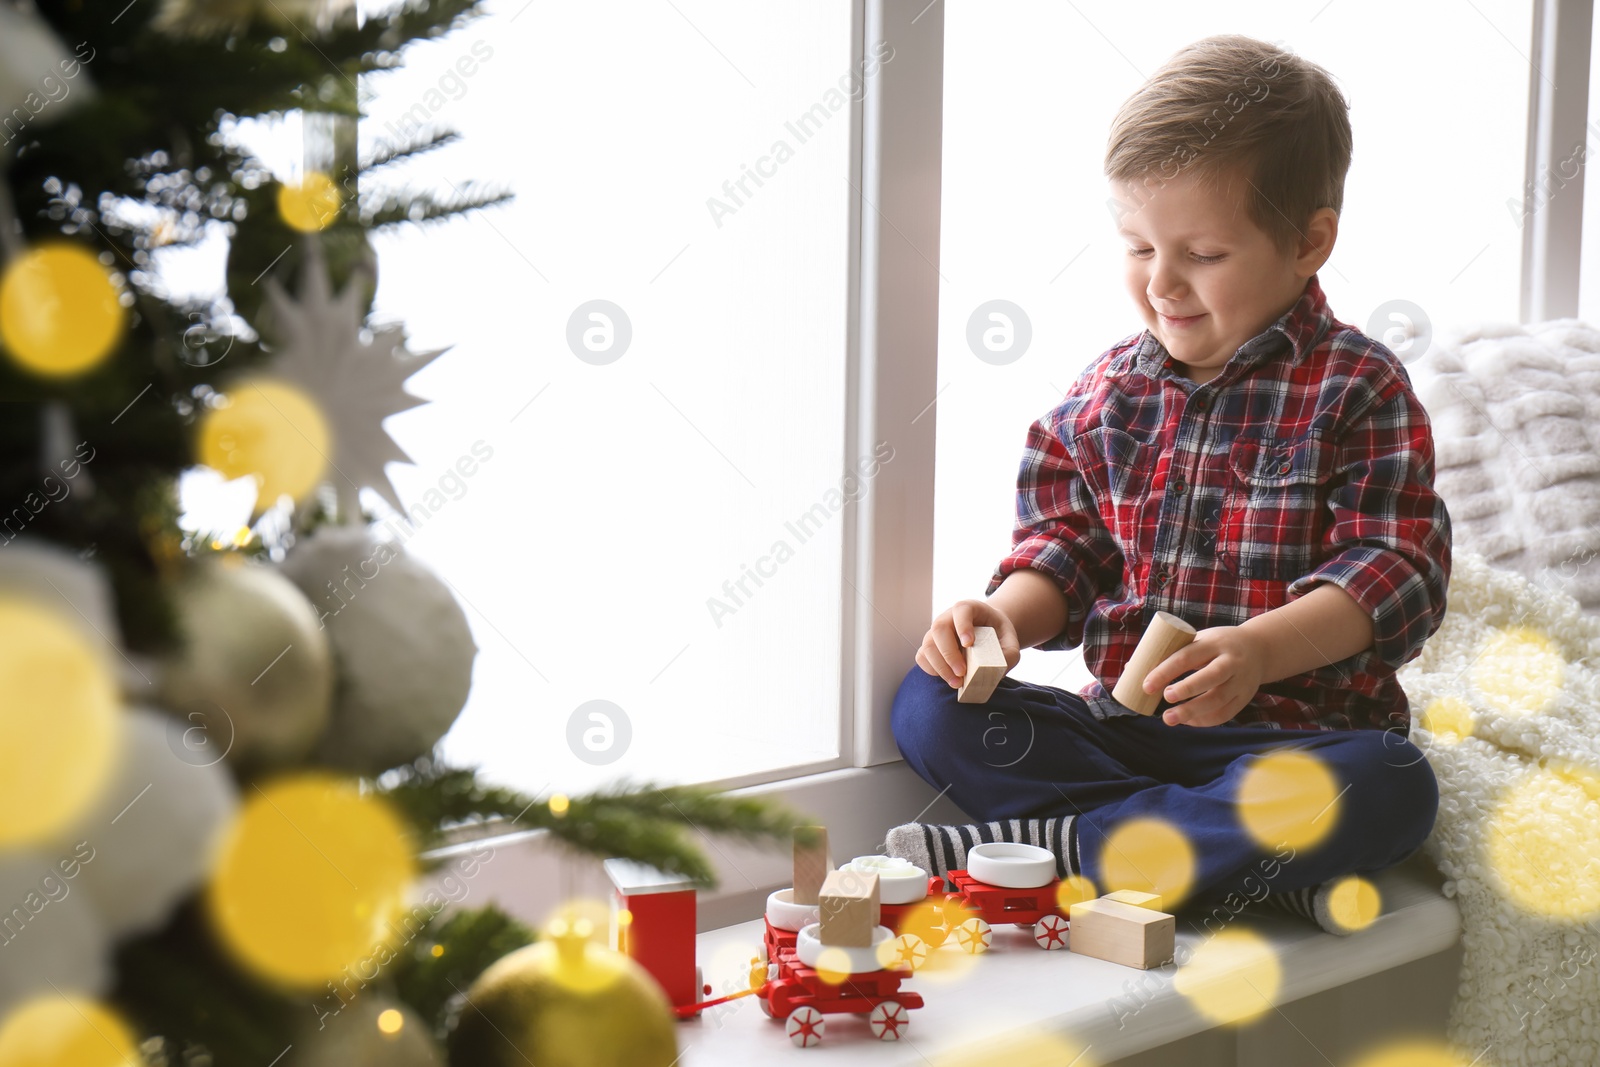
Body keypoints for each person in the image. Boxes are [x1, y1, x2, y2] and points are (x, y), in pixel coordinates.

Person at [886, 35, 1451, 934]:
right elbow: (1066, 542)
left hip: (1288, 745)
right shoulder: (1113, 389)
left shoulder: (1358, 386)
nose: (1161, 283)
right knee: (927, 706)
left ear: (1309, 243)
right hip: (1124, 732)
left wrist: (1258, 652)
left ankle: (1066, 851)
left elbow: (1395, 572)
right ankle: (1229, 865)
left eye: (1204, 254)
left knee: (1388, 785)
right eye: (1139, 245)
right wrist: (1006, 618)